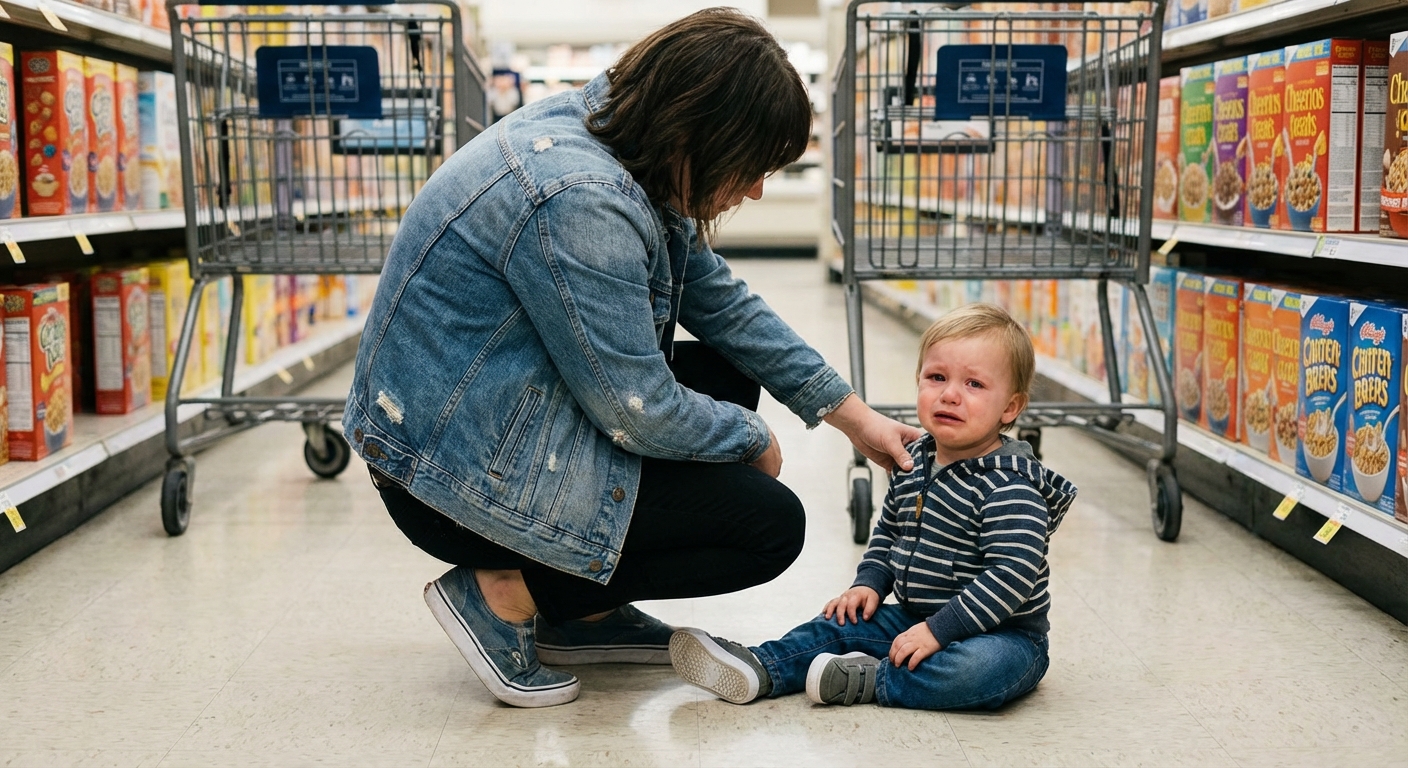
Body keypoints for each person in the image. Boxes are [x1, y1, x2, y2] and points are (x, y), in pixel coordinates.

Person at [342, 8, 922, 708]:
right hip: (445, 474)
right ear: (699, 133)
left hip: (488, 413)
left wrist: (856, 419)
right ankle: (504, 595)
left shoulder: (625, 143)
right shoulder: (582, 199)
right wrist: (754, 438)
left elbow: (722, 304)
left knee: (727, 372)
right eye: (749, 165)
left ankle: (582, 613)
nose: (757, 189)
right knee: (767, 525)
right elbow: (636, 410)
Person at [669, 303, 1078, 711]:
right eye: (936, 377)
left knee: (980, 670)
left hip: (1003, 635)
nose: (950, 394)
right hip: (913, 619)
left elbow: (1012, 574)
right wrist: (869, 583)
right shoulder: (913, 459)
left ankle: (872, 680)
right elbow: (890, 532)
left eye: (974, 385)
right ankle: (764, 665)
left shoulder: (1010, 484)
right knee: (842, 623)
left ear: (1010, 408)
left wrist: (939, 631)